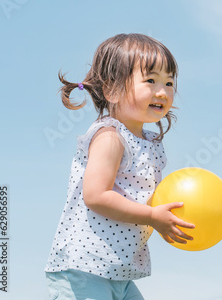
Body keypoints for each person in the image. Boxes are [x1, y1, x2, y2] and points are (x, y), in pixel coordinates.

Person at [45, 33, 195, 300]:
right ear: (112, 90)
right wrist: (152, 217)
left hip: (119, 271)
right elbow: (96, 195)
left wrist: (166, 217)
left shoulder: (151, 143)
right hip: (84, 268)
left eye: (169, 82)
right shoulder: (110, 136)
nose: (163, 91)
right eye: (150, 80)